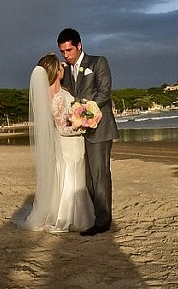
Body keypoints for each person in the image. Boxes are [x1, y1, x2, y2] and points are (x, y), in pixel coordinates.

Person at [13, 53, 94, 233]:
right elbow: (63, 128)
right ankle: (67, 218)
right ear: (55, 72)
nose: (63, 67)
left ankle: (61, 213)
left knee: (67, 177)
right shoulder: (57, 97)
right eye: (60, 66)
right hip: (69, 145)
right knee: (72, 179)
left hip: (65, 145)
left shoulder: (53, 93)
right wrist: (84, 125)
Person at [57, 27, 119, 236]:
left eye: (69, 50)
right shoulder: (66, 70)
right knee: (87, 178)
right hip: (78, 133)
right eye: (63, 52)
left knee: (100, 175)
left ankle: (103, 222)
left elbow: (104, 93)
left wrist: (83, 113)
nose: (66, 55)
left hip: (100, 128)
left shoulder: (98, 62)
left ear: (79, 45)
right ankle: (95, 215)